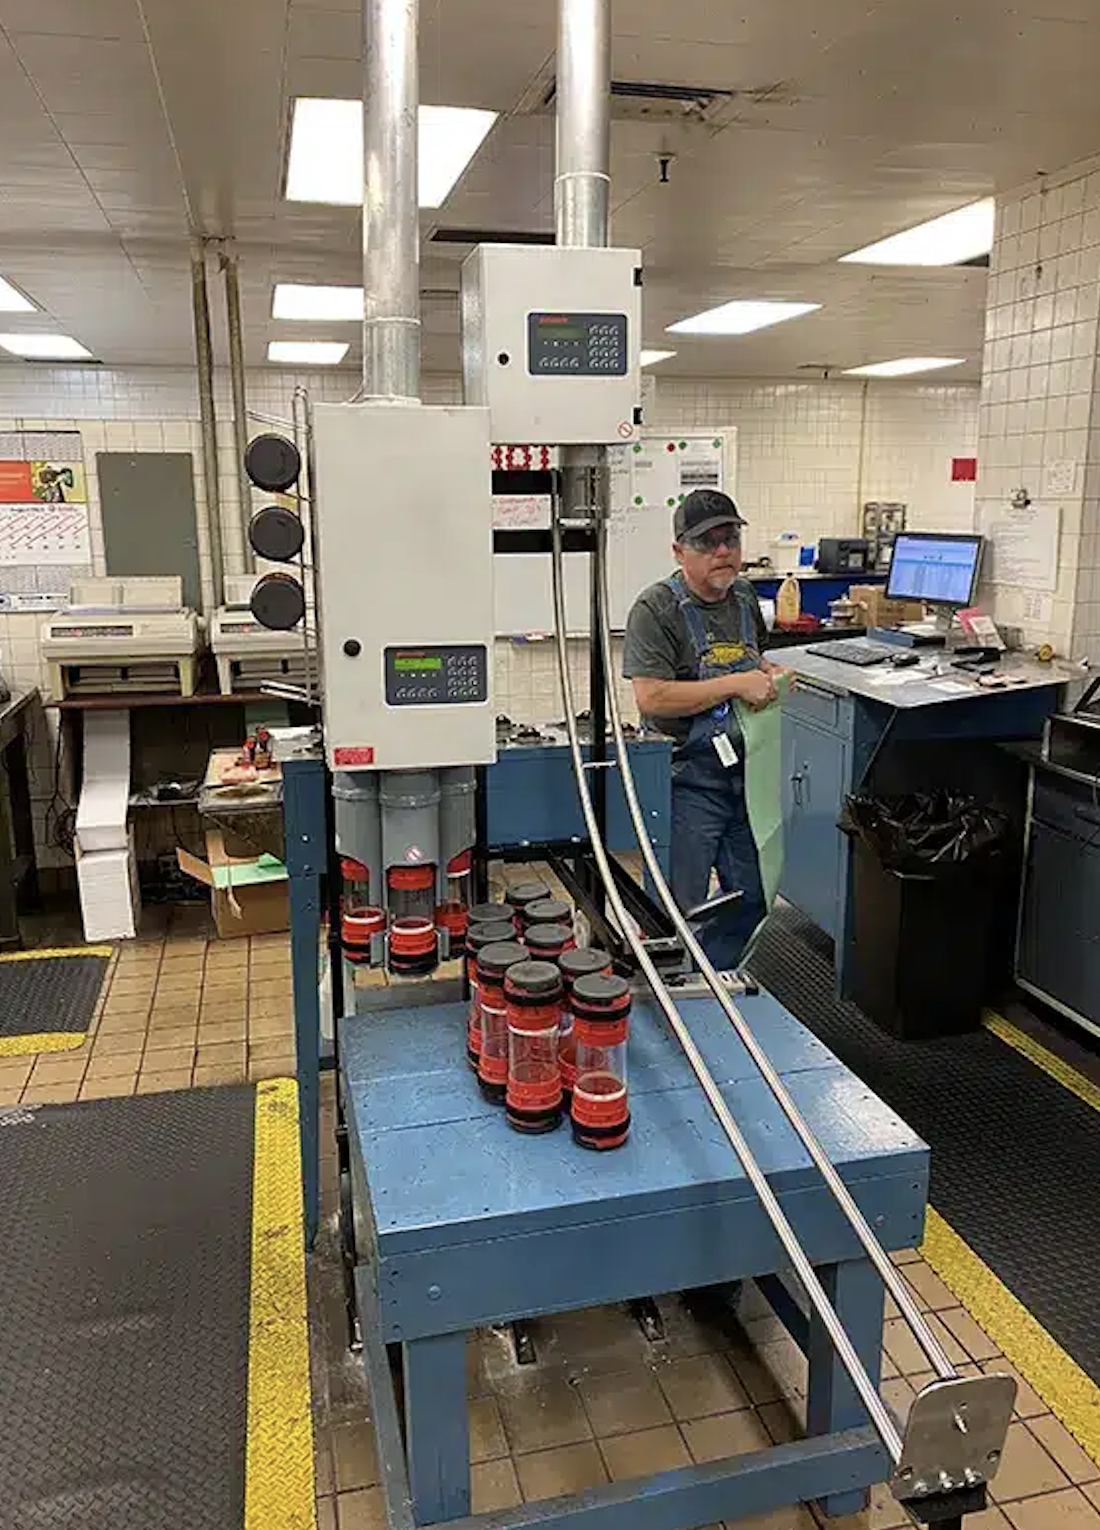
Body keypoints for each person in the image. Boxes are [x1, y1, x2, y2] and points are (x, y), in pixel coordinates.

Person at [622, 488, 784, 969]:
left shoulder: (745, 598)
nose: (722, 551)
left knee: (755, 898)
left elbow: (756, 659)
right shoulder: (655, 610)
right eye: (707, 542)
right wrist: (737, 683)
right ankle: (669, 992)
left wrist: (769, 676)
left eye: (730, 539)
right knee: (674, 910)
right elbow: (651, 696)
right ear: (678, 551)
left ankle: (712, 980)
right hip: (685, 780)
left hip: (746, 777)